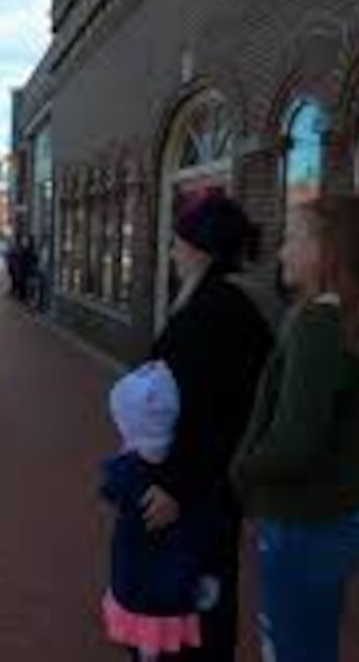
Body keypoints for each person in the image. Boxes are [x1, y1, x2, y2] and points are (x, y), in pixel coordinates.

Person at [231, 196, 359, 662]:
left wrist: (239, 473)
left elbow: (295, 443)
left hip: (302, 524)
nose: (281, 253)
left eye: (293, 239)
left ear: (329, 250)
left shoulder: (321, 323)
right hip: (338, 519)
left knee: (293, 651)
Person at [144, 194, 277, 662]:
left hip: (198, 488)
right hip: (220, 482)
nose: (173, 254)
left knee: (193, 593)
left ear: (199, 248)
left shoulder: (211, 313)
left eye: (178, 243)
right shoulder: (239, 302)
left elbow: (208, 412)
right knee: (211, 589)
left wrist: (175, 485)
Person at [100, 361, 222, 662]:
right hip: (177, 585)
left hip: (136, 582)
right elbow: (205, 524)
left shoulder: (126, 472)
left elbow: (108, 487)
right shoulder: (184, 479)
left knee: (144, 645)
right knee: (170, 641)